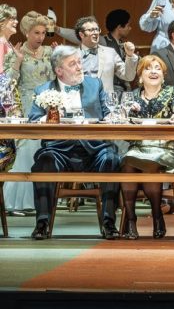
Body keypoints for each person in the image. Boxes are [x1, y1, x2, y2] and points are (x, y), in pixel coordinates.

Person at [29, 45, 121, 240]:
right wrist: (48, 118)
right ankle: (42, 223)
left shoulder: (95, 84)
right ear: (59, 70)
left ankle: (109, 223)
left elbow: (108, 113)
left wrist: (113, 116)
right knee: (44, 163)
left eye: (79, 62)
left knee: (112, 159)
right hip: (58, 150)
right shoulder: (43, 90)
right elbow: (33, 123)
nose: (80, 67)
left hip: (94, 149)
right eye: (73, 64)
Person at [120, 54, 174, 239]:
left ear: (163, 76)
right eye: (148, 68)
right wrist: (124, 113)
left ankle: (157, 215)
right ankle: (131, 220)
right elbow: (121, 123)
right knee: (127, 163)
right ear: (140, 76)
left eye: (158, 68)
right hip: (137, 147)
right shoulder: (132, 96)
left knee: (149, 163)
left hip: (166, 148)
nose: (153, 72)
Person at [4, 11, 54, 215]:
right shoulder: (16, 52)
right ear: (26, 32)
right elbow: (7, 82)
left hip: (48, 104)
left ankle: (39, 201)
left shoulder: (49, 52)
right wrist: (17, 62)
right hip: (25, 105)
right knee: (25, 151)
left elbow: (56, 78)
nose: (40, 37)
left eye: (43, 33)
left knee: (42, 151)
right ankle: (15, 203)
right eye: (36, 33)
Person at [72, 15, 138, 94]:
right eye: (91, 30)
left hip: (105, 100)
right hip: (80, 98)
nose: (96, 33)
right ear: (81, 34)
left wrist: (130, 55)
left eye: (97, 29)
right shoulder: (71, 55)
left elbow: (128, 76)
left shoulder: (110, 53)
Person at [0, 4, 18, 73]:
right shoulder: (1, 43)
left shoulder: (8, 43)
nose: (16, 22)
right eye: (12, 19)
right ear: (2, 23)